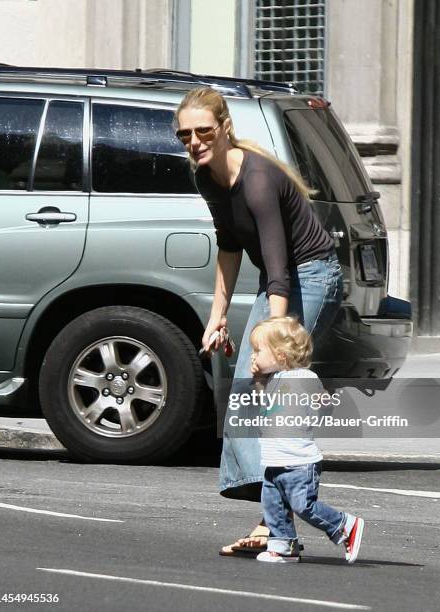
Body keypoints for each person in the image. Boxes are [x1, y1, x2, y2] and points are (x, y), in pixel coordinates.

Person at [174, 87, 343, 556]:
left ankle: (277, 524)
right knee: (251, 391)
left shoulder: (258, 180)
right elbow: (229, 246)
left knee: (265, 387)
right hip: (278, 279)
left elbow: (279, 265)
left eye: (202, 130)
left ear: (225, 127)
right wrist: (218, 317)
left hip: (307, 278)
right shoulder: (207, 176)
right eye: (184, 134)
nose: (194, 141)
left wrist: (274, 335)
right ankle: (276, 523)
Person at [247, 316, 364, 564]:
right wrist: (259, 383)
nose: (253, 357)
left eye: (258, 350)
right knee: (273, 506)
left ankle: (345, 525)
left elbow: (322, 404)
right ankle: (282, 547)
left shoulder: (304, 378)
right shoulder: (275, 380)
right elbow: (267, 408)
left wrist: (323, 400)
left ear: (280, 355)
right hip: (275, 460)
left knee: (303, 505)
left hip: (299, 461)